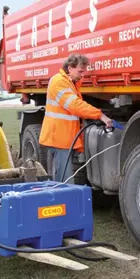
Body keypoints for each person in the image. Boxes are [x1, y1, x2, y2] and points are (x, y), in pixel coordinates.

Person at [39, 54, 113, 183]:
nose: (82, 75)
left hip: (64, 138)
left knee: (63, 180)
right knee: (65, 182)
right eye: (80, 71)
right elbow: (75, 105)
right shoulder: (58, 82)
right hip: (59, 139)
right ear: (69, 68)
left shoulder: (71, 82)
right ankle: (62, 202)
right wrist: (100, 115)